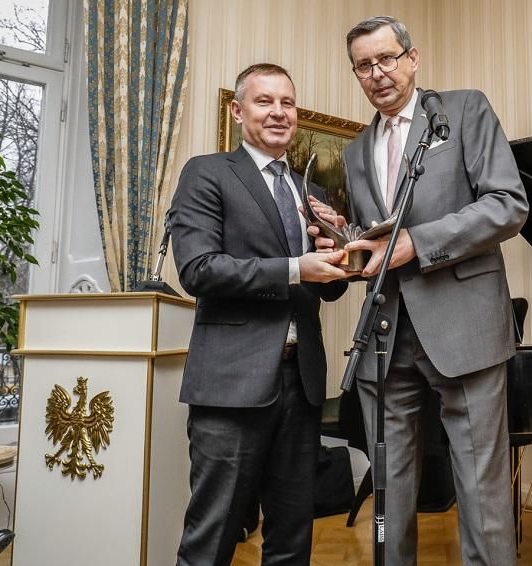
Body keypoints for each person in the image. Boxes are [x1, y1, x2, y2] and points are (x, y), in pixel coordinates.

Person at [319, 16, 529, 566]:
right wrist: (344, 239)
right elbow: (379, 237)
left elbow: (508, 205)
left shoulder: (463, 111)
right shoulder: (355, 151)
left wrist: (420, 242)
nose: (377, 73)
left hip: (465, 327)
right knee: (388, 491)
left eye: (387, 58)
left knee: (481, 490)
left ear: (412, 59)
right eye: (363, 65)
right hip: (385, 335)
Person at [169, 63, 349, 566]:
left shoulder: (311, 193)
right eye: (264, 101)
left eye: (287, 103)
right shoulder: (207, 172)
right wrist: (295, 267)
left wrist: (338, 249)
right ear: (238, 110)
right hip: (231, 384)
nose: (278, 112)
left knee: (292, 539)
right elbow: (199, 269)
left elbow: (329, 289)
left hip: (302, 383)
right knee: (212, 539)